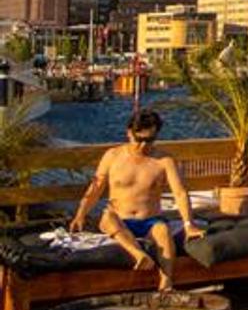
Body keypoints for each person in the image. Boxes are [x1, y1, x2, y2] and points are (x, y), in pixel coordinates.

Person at [68, 109, 205, 291]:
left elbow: (179, 192)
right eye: (138, 139)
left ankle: (167, 282)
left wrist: (189, 224)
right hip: (120, 218)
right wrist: (80, 215)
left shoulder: (164, 160)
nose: (142, 146)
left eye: (149, 140)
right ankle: (139, 255)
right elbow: (96, 187)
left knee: (163, 231)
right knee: (107, 218)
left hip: (150, 220)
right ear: (129, 133)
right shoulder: (113, 156)